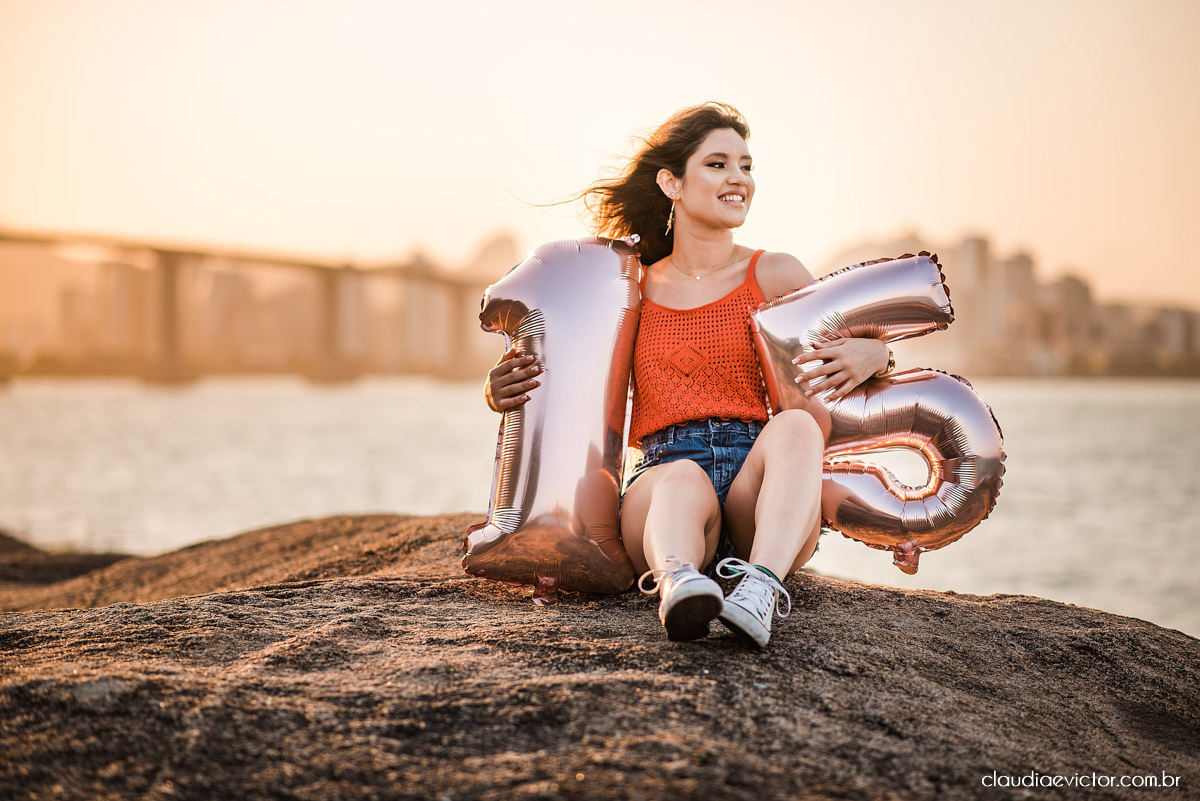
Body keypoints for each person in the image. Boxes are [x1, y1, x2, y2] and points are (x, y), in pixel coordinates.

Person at [484, 103, 891, 647]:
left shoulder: (775, 273)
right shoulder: (627, 287)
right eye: (718, 164)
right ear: (670, 182)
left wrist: (877, 356)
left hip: (757, 493)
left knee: (797, 428)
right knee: (681, 477)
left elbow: (849, 370)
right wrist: (497, 391)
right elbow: (565, 382)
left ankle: (759, 592)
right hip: (663, 487)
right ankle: (680, 586)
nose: (738, 179)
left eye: (746, 166)